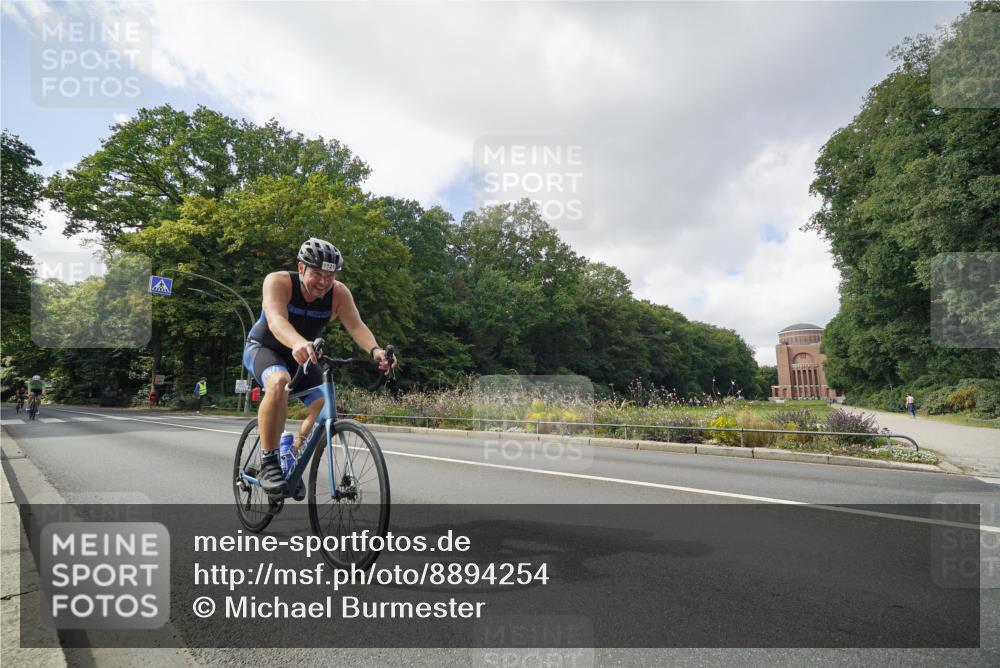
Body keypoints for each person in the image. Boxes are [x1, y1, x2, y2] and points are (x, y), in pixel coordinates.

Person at [243, 238, 396, 495]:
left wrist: (376, 350)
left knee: (325, 404)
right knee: (279, 381)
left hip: (304, 353)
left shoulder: (339, 293)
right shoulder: (278, 282)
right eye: (317, 273)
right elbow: (276, 319)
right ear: (301, 269)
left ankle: (291, 453)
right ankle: (269, 462)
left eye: (330, 275)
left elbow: (356, 326)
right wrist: (298, 342)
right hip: (264, 348)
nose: (324, 282)